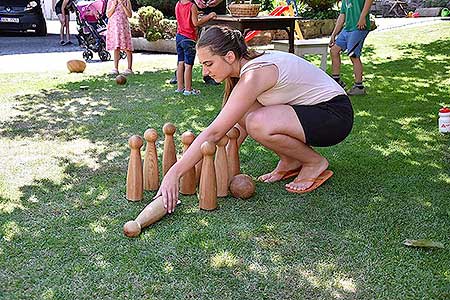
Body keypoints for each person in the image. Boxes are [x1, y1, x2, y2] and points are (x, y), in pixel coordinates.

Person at [156, 26, 354, 213]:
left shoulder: (254, 73)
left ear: (230, 56)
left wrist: (175, 172)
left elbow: (215, 132)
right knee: (248, 115)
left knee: (257, 122)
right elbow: (234, 124)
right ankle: (291, 161)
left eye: (209, 64)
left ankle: (314, 162)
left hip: (334, 115)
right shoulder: (245, 70)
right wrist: (217, 165)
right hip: (314, 112)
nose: (205, 72)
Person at [170, 0, 225, 86]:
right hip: (188, 39)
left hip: (179, 37)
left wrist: (195, 13)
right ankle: (188, 90)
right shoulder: (192, 6)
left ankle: (180, 88)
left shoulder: (178, 4)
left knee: (180, 63)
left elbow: (184, 16)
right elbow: (195, 23)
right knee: (188, 65)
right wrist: (209, 16)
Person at [329, 0, 373, 96]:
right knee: (334, 50)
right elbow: (342, 16)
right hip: (347, 29)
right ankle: (336, 82)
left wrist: (362, 17)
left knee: (353, 55)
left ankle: (359, 86)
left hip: (359, 27)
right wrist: (333, 34)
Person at [106, 0, 133, 75]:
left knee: (127, 47)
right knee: (116, 47)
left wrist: (123, 5)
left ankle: (129, 68)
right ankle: (115, 68)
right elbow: (108, 15)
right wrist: (114, 5)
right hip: (114, 27)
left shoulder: (127, 1)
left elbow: (129, 15)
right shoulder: (111, 1)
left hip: (123, 26)